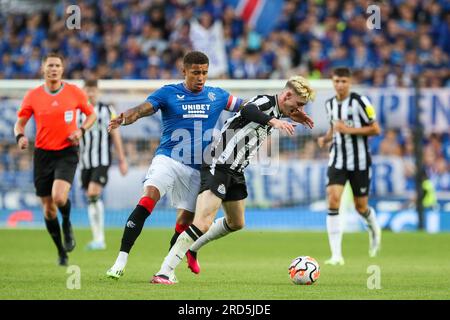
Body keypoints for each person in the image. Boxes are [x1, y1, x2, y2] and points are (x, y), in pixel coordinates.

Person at [151, 75, 316, 284]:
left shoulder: (278, 111)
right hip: (218, 163)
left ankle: (192, 247)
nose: (300, 109)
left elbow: (271, 116)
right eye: (298, 104)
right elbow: (246, 109)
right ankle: (164, 271)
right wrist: (274, 120)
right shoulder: (265, 102)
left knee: (236, 222)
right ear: (287, 95)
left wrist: (291, 116)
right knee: (202, 222)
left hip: (236, 170)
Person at [106, 51, 244, 279]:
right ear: (184, 71)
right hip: (168, 158)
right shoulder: (169, 92)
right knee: (149, 197)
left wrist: (277, 109)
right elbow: (142, 109)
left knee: (185, 223)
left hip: (197, 170)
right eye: (196, 73)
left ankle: (165, 271)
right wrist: (126, 117)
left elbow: (245, 105)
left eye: (204, 73)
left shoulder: (217, 95)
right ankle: (120, 260)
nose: (201, 77)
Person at [14, 53, 96, 266]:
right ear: (43, 68)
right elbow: (20, 123)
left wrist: (81, 130)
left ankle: (67, 224)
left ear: (62, 69)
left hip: (67, 152)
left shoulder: (74, 92)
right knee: (48, 208)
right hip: (42, 154)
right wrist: (20, 136)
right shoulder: (33, 96)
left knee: (59, 198)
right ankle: (61, 250)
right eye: (50, 65)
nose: (54, 68)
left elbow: (91, 115)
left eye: (57, 65)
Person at [317, 67, 382, 265]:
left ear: (350, 82)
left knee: (360, 206)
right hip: (337, 159)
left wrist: (349, 129)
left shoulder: (360, 102)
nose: (340, 85)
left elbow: (375, 129)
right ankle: (336, 255)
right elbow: (333, 128)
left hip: (360, 162)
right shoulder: (330, 104)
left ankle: (373, 228)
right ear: (332, 82)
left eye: (344, 81)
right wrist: (326, 139)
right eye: (337, 81)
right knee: (333, 199)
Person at [79, 79, 128, 250]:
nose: (91, 93)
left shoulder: (107, 110)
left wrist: (122, 159)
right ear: (83, 91)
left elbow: (115, 135)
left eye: (93, 90)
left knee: (93, 192)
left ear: (97, 92)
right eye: (88, 90)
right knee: (90, 197)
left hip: (102, 160)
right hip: (84, 161)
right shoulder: (77, 111)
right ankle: (96, 237)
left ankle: (100, 239)